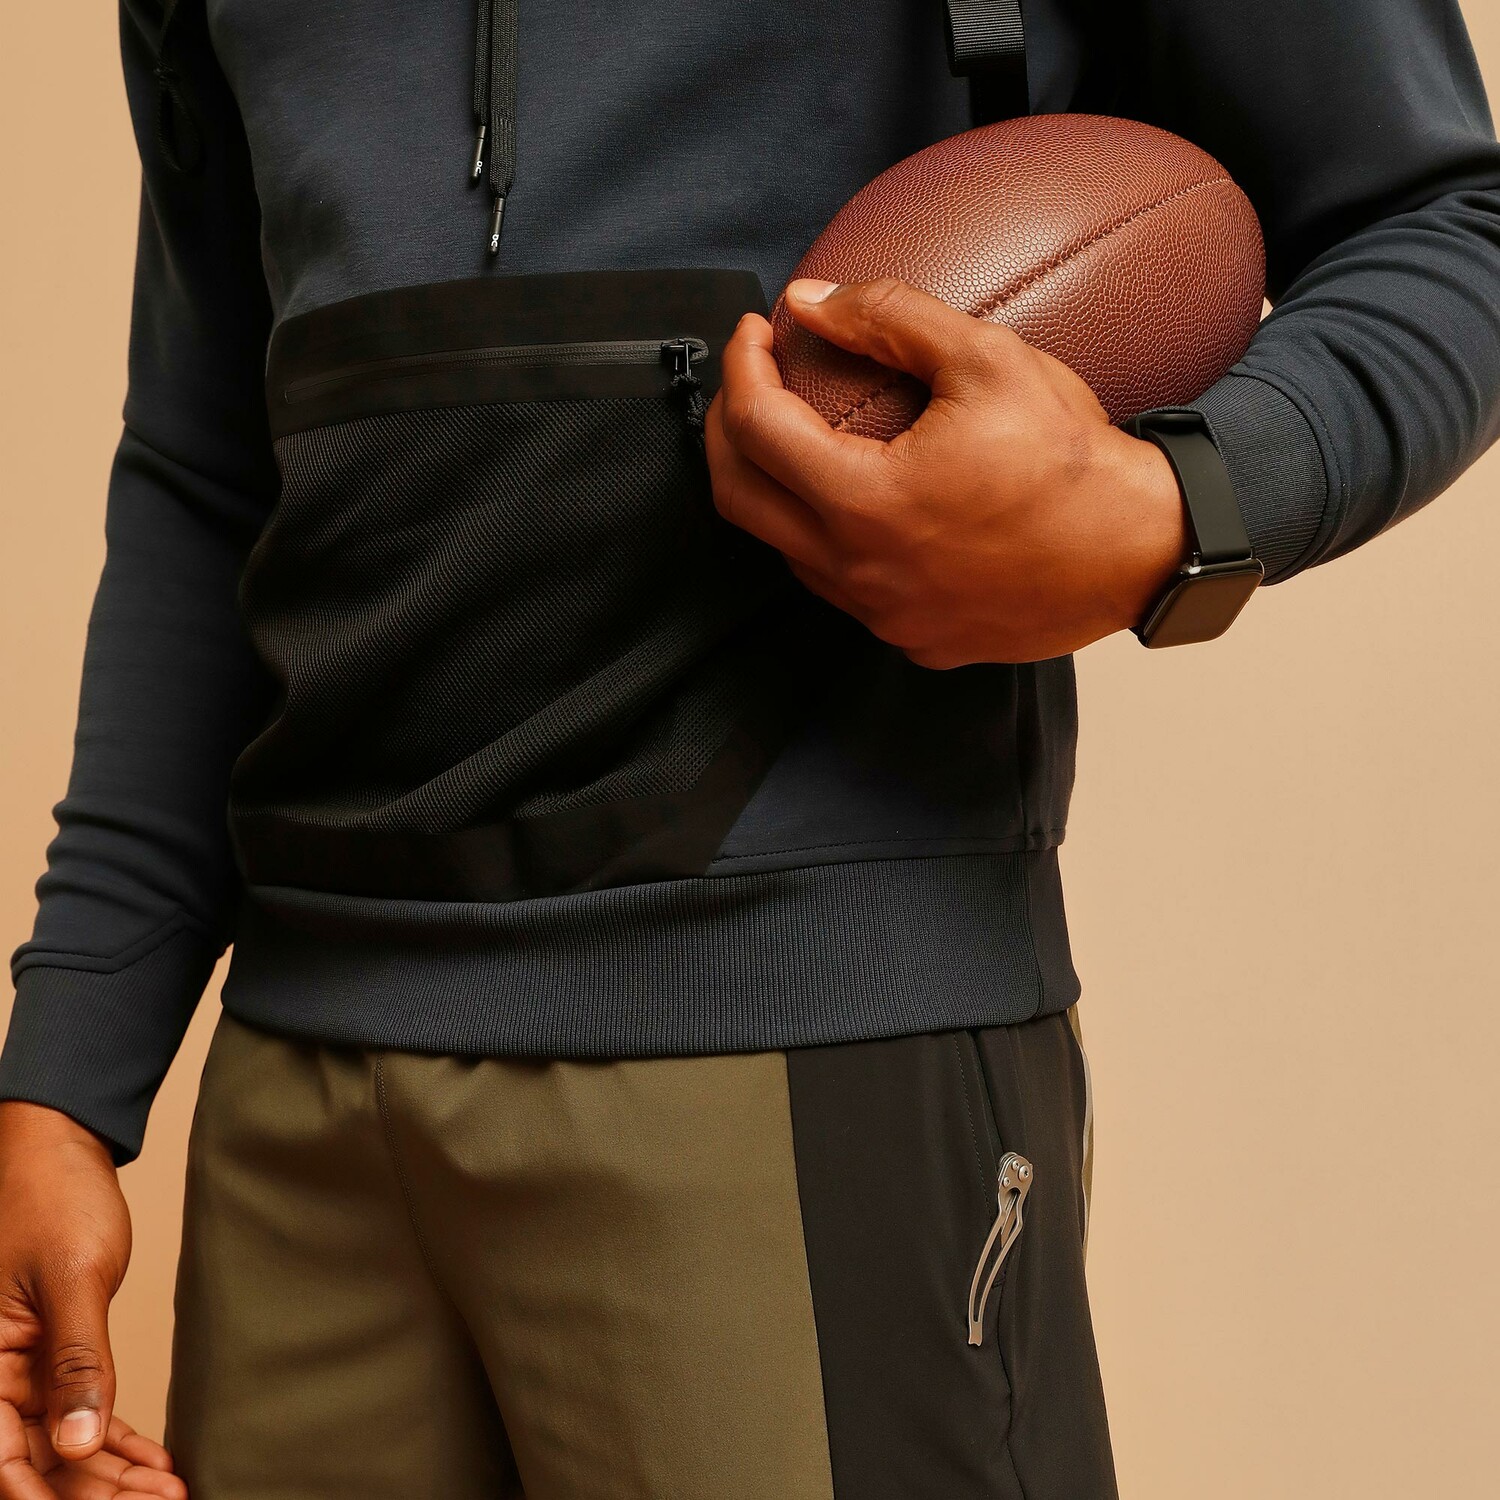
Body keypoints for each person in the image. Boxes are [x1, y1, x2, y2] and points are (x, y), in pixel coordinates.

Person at [2, 1, 1498, 1497]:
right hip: (292, 1092)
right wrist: (67, 1078)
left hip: (806, 1039)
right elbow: (212, 457)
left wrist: (1178, 507)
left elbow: (1451, 224)